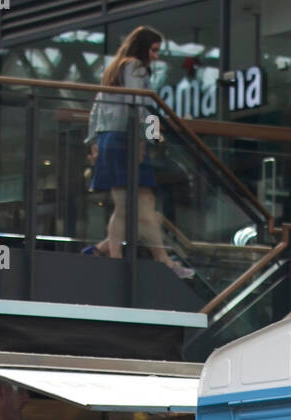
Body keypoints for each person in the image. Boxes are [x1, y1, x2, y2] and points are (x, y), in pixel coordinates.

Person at [85, 26, 194, 278]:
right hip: (127, 140)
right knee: (135, 204)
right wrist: (152, 136)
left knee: (136, 204)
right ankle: (159, 260)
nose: (156, 56)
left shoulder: (115, 68)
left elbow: (97, 109)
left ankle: (110, 252)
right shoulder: (135, 67)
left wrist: (93, 141)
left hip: (112, 139)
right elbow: (140, 106)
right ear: (143, 47)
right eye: (154, 50)